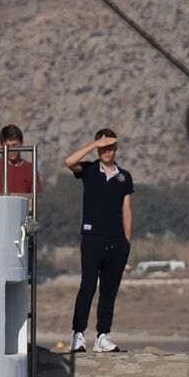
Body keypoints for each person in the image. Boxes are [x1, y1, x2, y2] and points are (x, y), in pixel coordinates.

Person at [64, 128, 134, 353]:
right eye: (102, 147)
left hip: (116, 241)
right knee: (87, 286)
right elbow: (69, 161)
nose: (106, 151)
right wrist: (94, 145)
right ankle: (78, 334)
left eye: (110, 146)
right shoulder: (89, 170)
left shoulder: (124, 176)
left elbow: (127, 210)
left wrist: (127, 243)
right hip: (92, 237)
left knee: (109, 290)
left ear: (116, 148)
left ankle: (103, 335)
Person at [0, 123, 43, 207]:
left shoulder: (31, 169)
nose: (11, 149)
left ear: (21, 143)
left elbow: (32, 204)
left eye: (14, 145)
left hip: (21, 217)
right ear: (1, 145)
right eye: (7, 146)